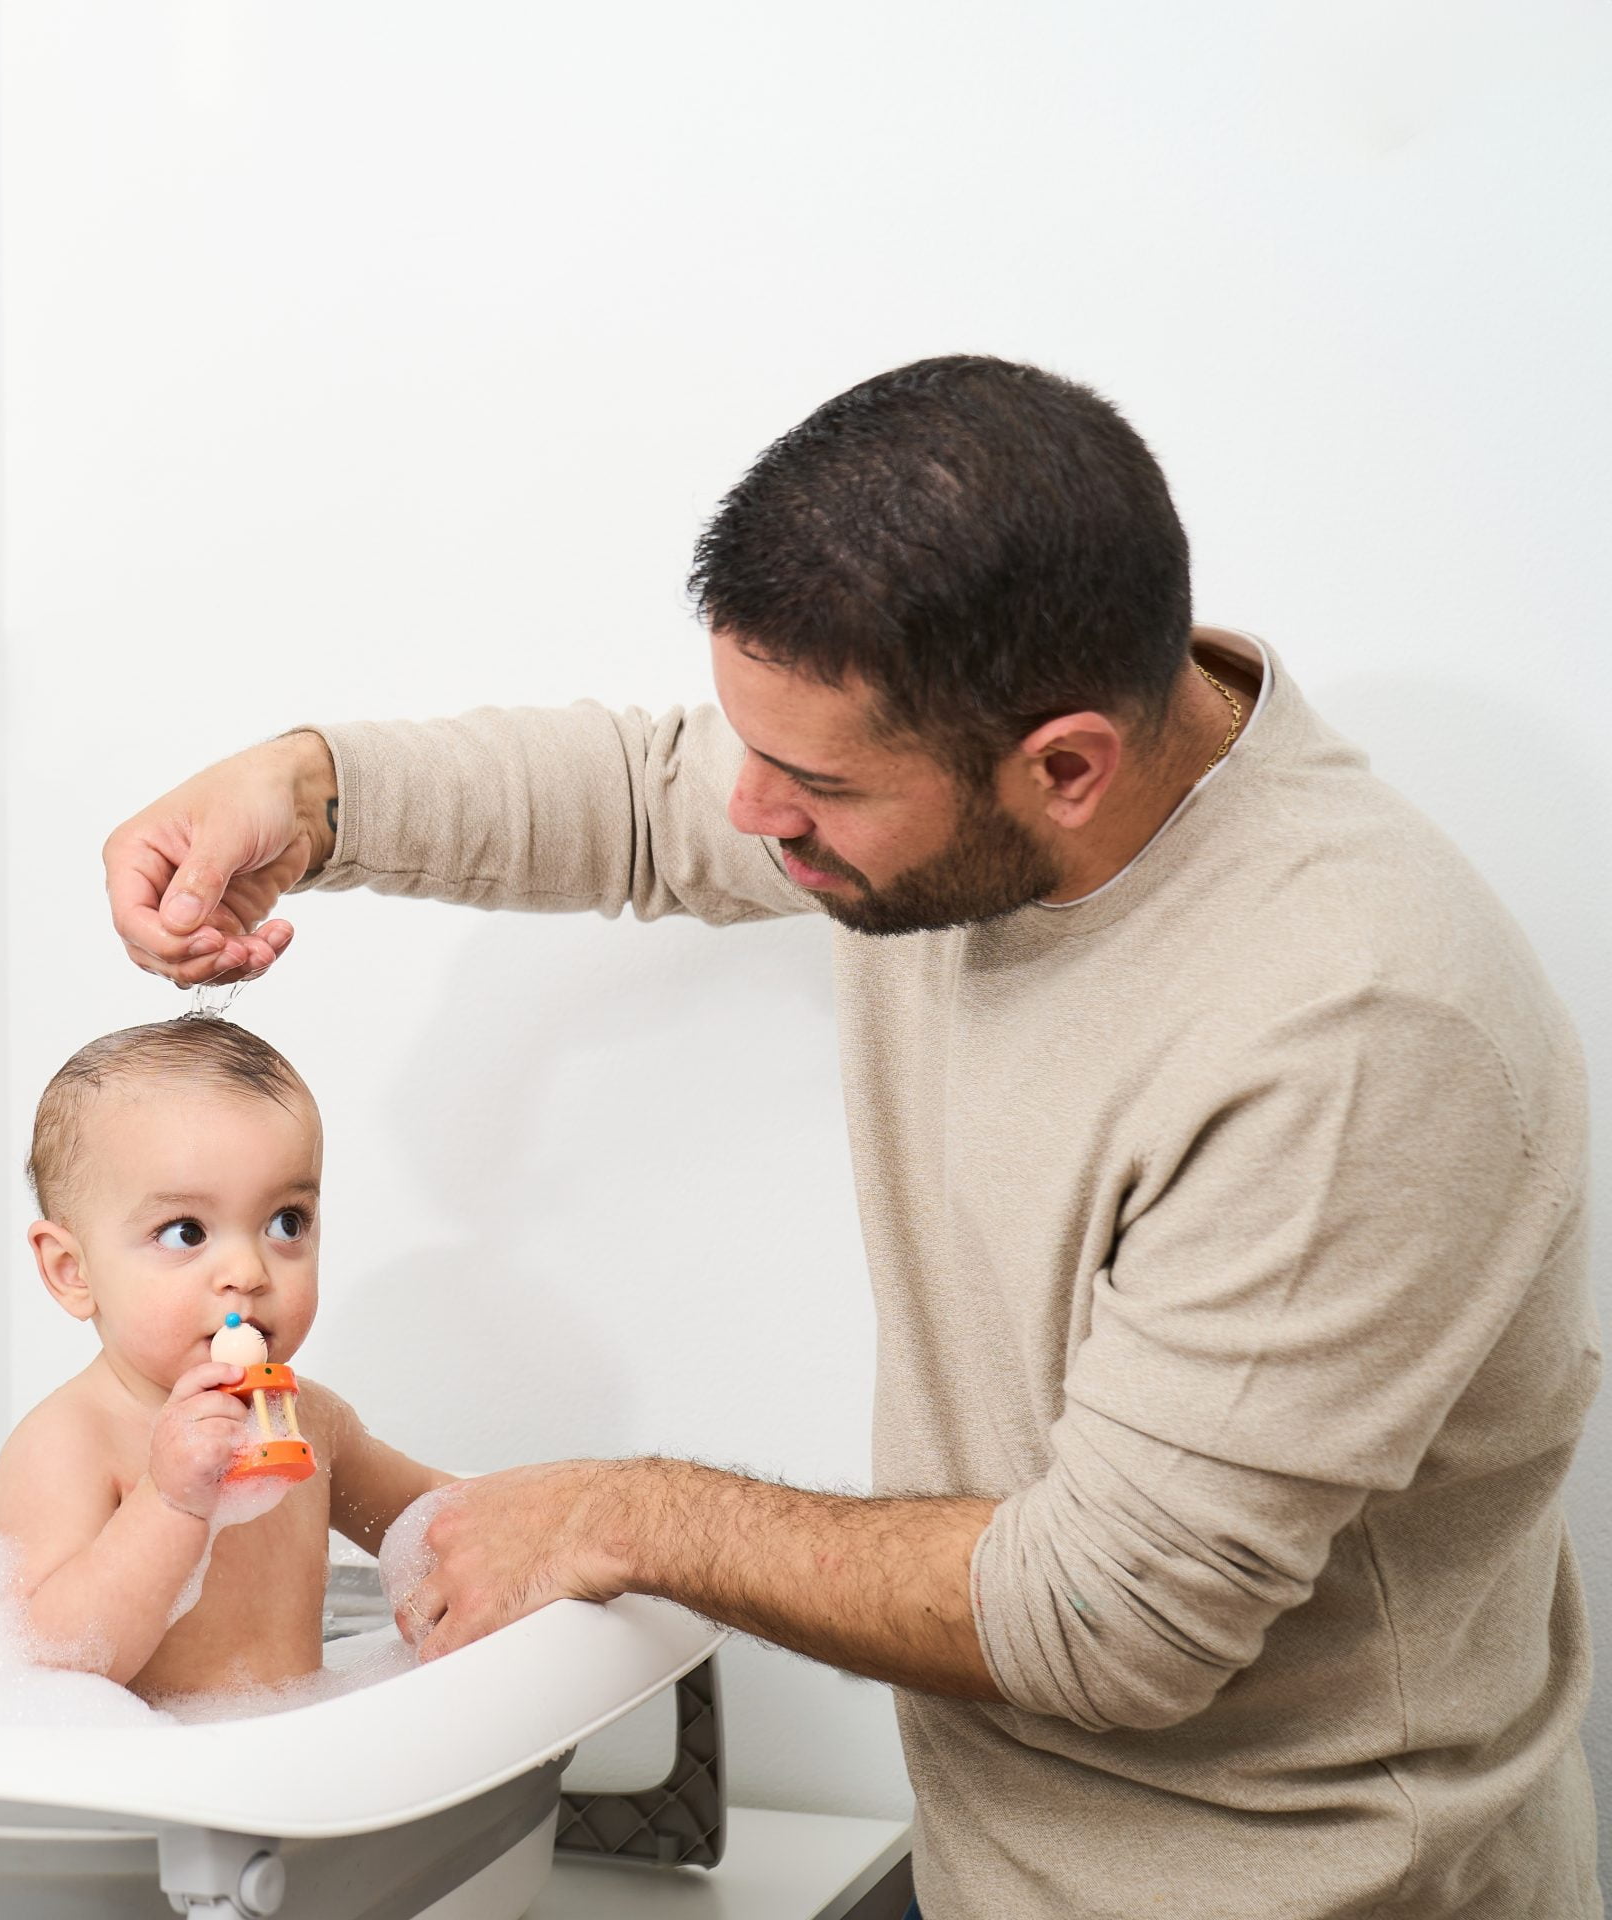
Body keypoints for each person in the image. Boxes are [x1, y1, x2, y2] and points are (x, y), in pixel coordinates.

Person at [96, 357, 1600, 1913]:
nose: (750, 811)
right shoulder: (977, 792)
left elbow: (1111, 1616)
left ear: (1065, 765)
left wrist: (630, 1515)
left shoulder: (1352, 1031)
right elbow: (643, 794)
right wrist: (310, 791)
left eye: (812, 782)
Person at [0, 1016, 451, 1700]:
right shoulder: (69, 1442)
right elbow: (45, 1664)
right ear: (71, 1271)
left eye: (286, 1222)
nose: (247, 1270)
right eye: (186, 1232)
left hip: (287, 1755)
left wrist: (547, 1523)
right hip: (146, 1781)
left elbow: (433, 1519)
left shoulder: (309, 1419)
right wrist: (169, 1503)